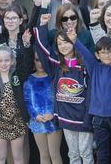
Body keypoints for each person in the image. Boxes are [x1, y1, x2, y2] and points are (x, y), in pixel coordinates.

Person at [34, 14, 92, 164]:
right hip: (66, 118)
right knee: (73, 155)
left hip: (84, 118)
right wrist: (42, 25)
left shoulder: (85, 63)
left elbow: (92, 92)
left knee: (86, 154)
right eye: (60, 44)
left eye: (66, 42)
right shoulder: (57, 65)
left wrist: (89, 116)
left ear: (73, 41)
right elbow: (42, 49)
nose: (63, 46)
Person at [73, 32, 111, 164]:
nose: (107, 55)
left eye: (110, 52)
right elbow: (85, 53)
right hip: (98, 118)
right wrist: (75, 40)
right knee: (102, 153)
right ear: (97, 55)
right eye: (103, 52)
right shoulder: (94, 67)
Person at [24, 51, 62, 164]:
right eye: (37, 60)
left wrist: (53, 114)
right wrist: (35, 115)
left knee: (54, 154)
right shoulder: (29, 80)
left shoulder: (53, 77)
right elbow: (27, 101)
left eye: (42, 60)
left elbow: (59, 98)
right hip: (37, 121)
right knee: (44, 155)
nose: (40, 63)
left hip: (53, 120)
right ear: (33, 61)